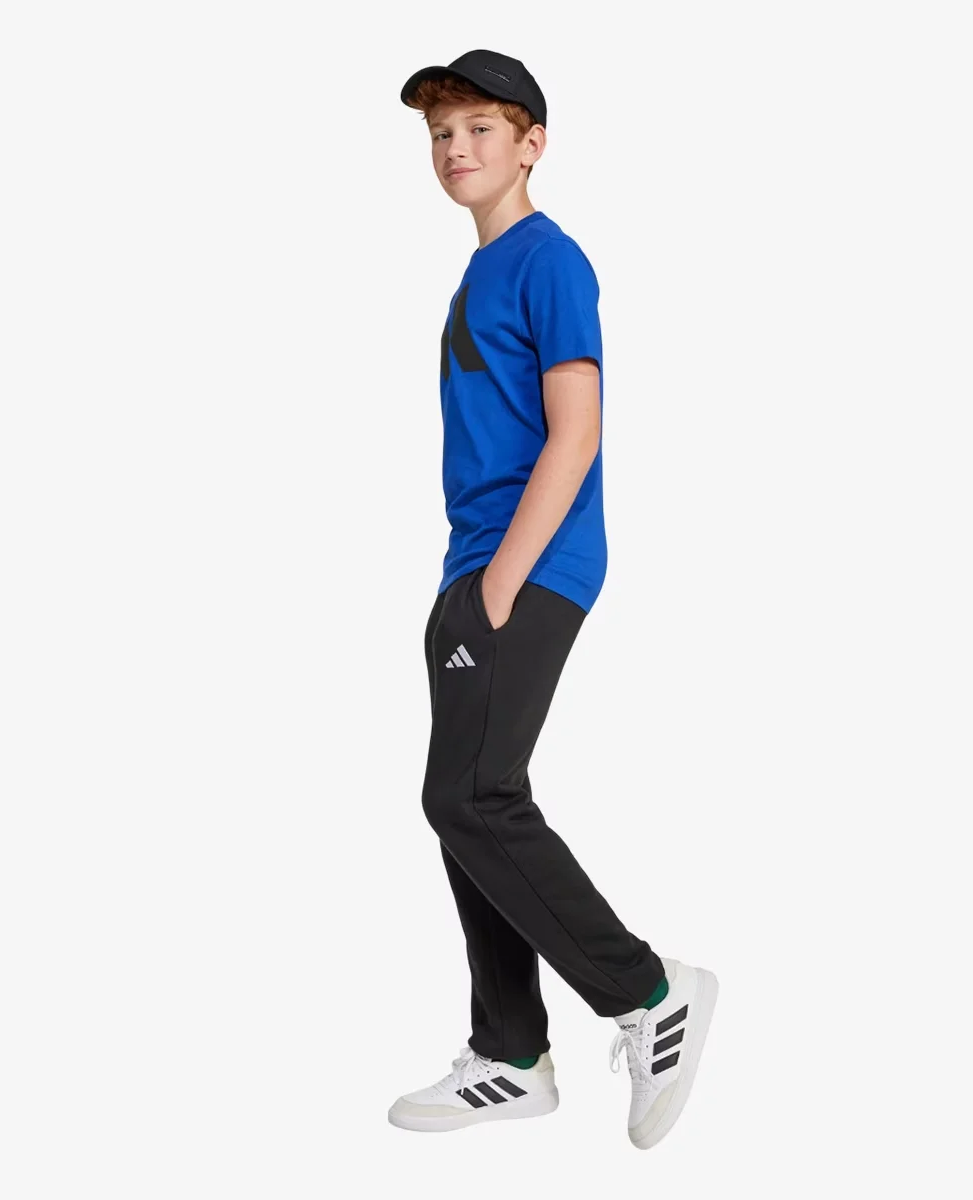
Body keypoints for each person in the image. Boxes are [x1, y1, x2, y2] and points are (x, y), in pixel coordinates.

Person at [388, 49, 718, 1151]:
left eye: (480, 129)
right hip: (476, 567)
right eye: (441, 134)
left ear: (532, 144)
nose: (456, 149)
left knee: (470, 797)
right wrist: (468, 584)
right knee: (470, 801)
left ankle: (647, 992)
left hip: (524, 566)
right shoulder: (480, 273)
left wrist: (499, 585)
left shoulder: (549, 260)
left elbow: (576, 432)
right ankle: (511, 1052)